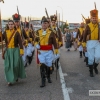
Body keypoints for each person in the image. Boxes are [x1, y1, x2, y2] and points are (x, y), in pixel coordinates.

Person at [34, 16, 58, 87]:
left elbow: (55, 43)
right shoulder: (38, 32)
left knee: (49, 66)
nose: (44, 24)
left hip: (49, 52)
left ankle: (48, 76)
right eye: (43, 23)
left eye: (45, 23)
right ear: (41, 24)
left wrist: (56, 51)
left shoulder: (51, 32)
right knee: (42, 65)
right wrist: (36, 45)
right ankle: (43, 80)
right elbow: (35, 41)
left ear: (48, 24)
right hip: (41, 52)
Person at [1, 20, 26, 86]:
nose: (11, 25)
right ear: (8, 25)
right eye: (9, 24)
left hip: (15, 51)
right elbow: (1, 39)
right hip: (8, 51)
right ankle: (9, 80)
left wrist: (21, 51)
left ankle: (16, 75)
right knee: (8, 66)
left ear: (14, 25)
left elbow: (20, 43)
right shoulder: (5, 32)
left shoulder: (17, 33)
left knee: (15, 66)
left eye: (12, 24)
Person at [83, 8, 100, 77]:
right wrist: (84, 45)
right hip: (90, 42)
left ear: (97, 18)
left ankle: (95, 66)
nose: (94, 19)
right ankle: (91, 71)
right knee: (91, 58)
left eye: (95, 18)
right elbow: (84, 36)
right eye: (93, 18)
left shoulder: (99, 25)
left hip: (97, 42)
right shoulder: (88, 26)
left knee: (98, 56)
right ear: (91, 18)